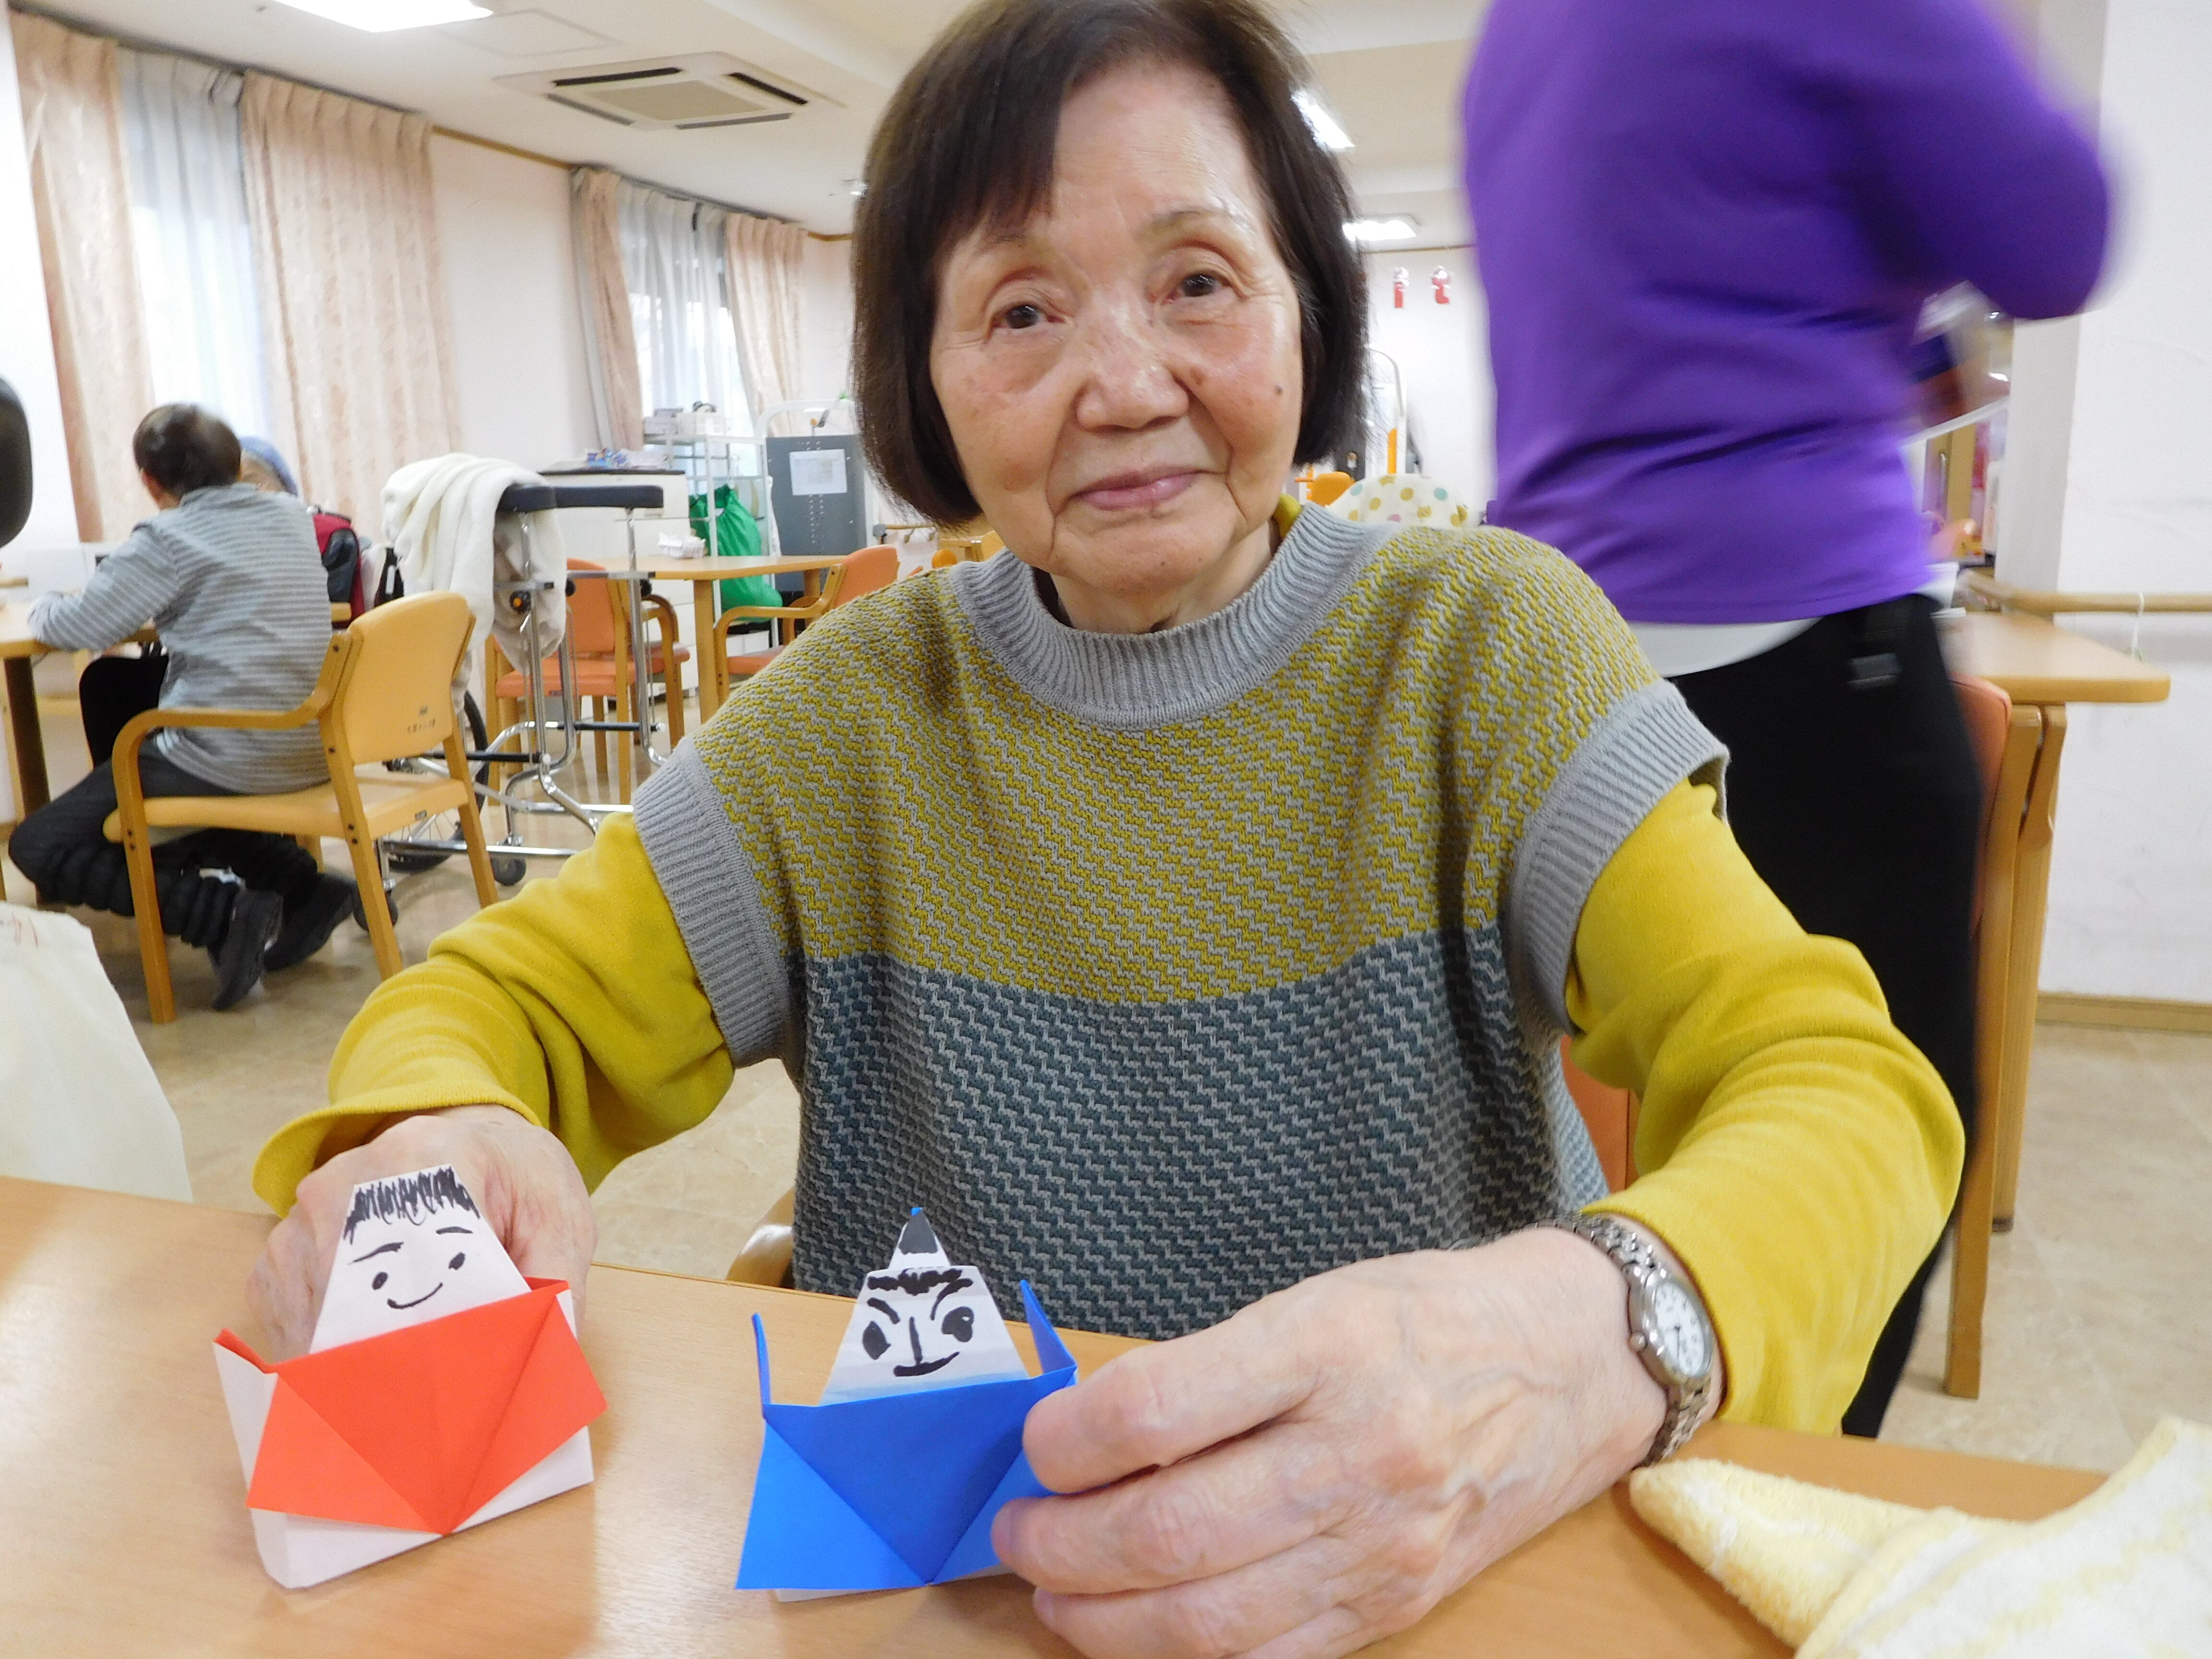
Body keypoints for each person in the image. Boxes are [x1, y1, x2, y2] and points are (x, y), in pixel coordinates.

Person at [244, 3, 1958, 1653]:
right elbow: (502, 1005)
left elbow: (1838, 1087)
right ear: (922, 380)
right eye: (1018, 311)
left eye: (1196, 280)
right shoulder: (842, 722)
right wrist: (438, 1132)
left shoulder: (1483, 649)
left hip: (1435, 1582)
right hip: (974, 1593)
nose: (1123, 385)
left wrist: (1592, 1331)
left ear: (1306, 312)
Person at [1464, 0, 2108, 1436]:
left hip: (1555, 658)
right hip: (1800, 647)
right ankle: (1777, 1499)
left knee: (1582, 1138)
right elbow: (2058, 232)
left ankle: (1612, 1478)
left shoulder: (1521, 29)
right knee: (1870, 1143)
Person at [9, 405, 359, 1010]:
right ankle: (303, 888)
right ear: (238, 466)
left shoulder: (167, 538)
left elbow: (79, 625)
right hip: (312, 742)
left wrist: (40, 604)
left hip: (232, 747)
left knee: (36, 846)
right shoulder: (290, 517)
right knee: (115, 684)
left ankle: (218, 915)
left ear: (151, 482)